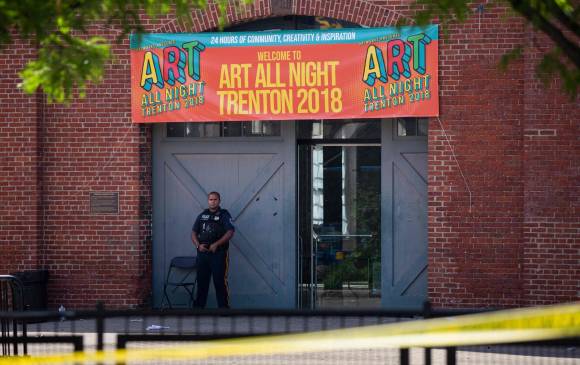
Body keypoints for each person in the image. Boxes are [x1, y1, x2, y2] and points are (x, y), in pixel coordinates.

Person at [191, 191, 235, 308]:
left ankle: (224, 309)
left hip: (219, 254)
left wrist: (216, 244)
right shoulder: (202, 215)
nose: (213, 201)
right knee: (202, 282)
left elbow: (230, 232)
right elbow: (194, 232)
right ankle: (199, 309)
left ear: (219, 201)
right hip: (202, 254)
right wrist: (198, 245)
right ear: (208, 201)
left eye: (215, 199)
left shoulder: (224, 214)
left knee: (220, 282)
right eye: (211, 199)